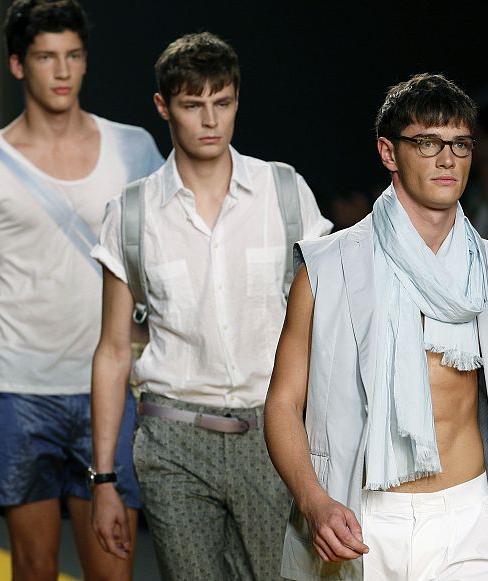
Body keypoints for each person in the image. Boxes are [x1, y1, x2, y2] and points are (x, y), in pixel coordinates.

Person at [264, 73, 488, 581]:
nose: (447, 159)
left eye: (460, 144)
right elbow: (282, 403)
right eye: (428, 143)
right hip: (366, 519)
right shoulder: (328, 268)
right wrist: (314, 501)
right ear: (389, 152)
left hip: (470, 515)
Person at [90, 32, 332, 580]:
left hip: (273, 433)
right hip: (173, 435)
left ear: (237, 100)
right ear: (162, 106)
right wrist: (103, 479)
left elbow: (326, 328)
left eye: (222, 103)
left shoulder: (285, 193)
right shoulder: (132, 213)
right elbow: (112, 350)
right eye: (192, 104)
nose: (210, 120)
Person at [0, 1, 163, 579]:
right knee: (33, 568)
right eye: (45, 57)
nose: (62, 71)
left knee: (112, 569)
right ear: (18, 65)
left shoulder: (133, 147)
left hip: (109, 391)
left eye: (73, 55)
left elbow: (168, 258)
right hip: (19, 392)